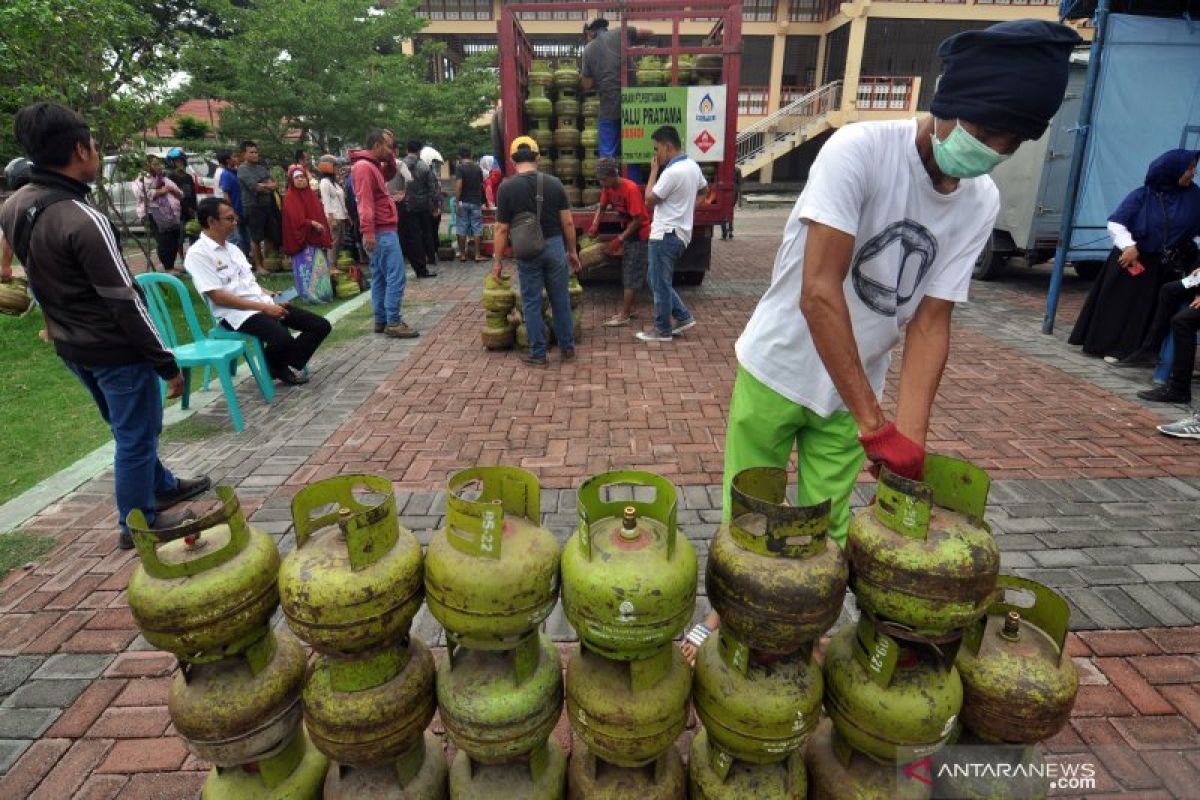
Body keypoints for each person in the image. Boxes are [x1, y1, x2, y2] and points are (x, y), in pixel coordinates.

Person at [680, 20, 1081, 661]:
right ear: (948, 108)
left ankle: (805, 629)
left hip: (853, 390)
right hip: (778, 367)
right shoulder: (858, 151)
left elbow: (929, 324)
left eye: (1008, 144)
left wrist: (908, 448)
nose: (990, 152)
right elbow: (819, 290)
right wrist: (876, 422)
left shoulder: (979, 202)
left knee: (829, 529)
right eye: (982, 134)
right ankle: (729, 612)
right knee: (751, 515)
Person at [0, 103, 211, 549]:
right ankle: (137, 523)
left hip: (72, 347)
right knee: (136, 435)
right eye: (94, 145)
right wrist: (166, 363)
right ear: (81, 149)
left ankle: (162, 484)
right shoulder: (83, 218)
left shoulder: (16, 204)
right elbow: (126, 301)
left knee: (125, 428)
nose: (95, 152)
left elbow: (38, 277)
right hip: (115, 351)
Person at [1070, 150, 1200, 360]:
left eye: (1194, 167)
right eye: (1189, 168)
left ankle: (1144, 351)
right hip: (1135, 257)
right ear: (1171, 170)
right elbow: (1116, 222)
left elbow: (1196, 232)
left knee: (1152, 308)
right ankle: (1111, 347)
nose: (1193, 172)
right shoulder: (1143, 195)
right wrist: (1128, 245)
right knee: (1122, 306)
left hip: (1168, 264)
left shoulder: (1194, 197)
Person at [186, 197, 331, 386]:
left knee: (320, 325)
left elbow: (246, 283)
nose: (235, 223)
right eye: (229, 219)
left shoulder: (233, 249)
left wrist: (270, 295)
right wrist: (264, 307)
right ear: (211, 221)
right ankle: (278, 366)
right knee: (281, 337)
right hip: (235, 314)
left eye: (234, 218)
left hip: (260, 304)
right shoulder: (198, 254)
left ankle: (275, 365)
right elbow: (218, 297)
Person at [493, 136, 581, 367]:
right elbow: (568, 222)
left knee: (531, 302)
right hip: (554, 246)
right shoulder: (554, 183)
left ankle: (539, 354)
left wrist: (498, 261)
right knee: (559, 298)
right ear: (538, 158)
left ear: (513, 161)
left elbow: (502, 229)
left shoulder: (506, 188)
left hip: (527, 249)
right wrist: (572, 251)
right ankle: (567, 348)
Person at [637, 125, 704, 343]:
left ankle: (662, 329)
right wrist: (688, 210)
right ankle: (683, 317)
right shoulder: (692, 166)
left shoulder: (671, 172)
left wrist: (653, 172)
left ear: (667, 146)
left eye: (657, 149)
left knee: (659, 282)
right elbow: (705, 190)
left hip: (664, 234)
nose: (656, 154)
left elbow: (648, 200)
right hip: (680, 234)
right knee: (656, 279)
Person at [352, 129, 419, 338]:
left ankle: (381, 320)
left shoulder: (370, 166)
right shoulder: (364, 167)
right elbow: (365, 203)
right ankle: (393, 321)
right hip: (381, 231)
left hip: (380, 230)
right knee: (395, 276)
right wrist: (368, 232)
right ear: (377, 145)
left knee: (380, 277)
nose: (391, 151)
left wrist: (389, 154)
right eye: (388, 146)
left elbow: (389, 173)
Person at [587, 157, 650, 327]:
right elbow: (602, 206)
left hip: (639, 234)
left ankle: (624, 315)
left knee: (631, 273)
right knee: (628, 271)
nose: (602, 183)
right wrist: (594, 225)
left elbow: (638, 220)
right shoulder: (608, 188)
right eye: (600, 179)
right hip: (628, 232)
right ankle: (632, 309)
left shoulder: (630, 188)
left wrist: (620, 239)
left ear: (614, 174)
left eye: (605, 179)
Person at [281, 167, 334, 303]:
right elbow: (294, 219)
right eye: (297, 178)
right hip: (302, 240)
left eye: (302, 177)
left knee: (319, 266)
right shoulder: (290, 197)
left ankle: (323, 293)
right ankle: (309, 296)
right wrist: (311, 223)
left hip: (315, 238)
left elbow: (319, 213)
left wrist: (323, 227)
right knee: (306, 267)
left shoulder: (311, 195)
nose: (300, 180)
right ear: (292, 181)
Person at [133, 155, 184, 272]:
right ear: (147, 166)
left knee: (174, 239)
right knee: (164, 240)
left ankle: (171, 265)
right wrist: (161, 191)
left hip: (170, 216)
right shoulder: (141, 180)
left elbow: (180, 193)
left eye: (159, 164)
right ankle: (168, 267)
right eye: (155, 164)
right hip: (151, 214)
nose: (159, 166)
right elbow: (142, 194)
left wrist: (171, 190)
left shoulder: (164, 179)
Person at [582, 18, 622, 160]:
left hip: (609, 103)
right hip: (633, 101)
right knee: (632, 147)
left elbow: (587, 84)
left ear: (590, 32)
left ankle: (609, 179)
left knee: (607, 151)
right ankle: (633, 181)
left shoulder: (589, 49)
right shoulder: (620, 34)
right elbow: (648, 32)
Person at [237, 140, 280, 272]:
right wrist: (266, 186)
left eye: (256, 152)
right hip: (253, 207)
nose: (255, 155)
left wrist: (266, 186)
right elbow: (256, 187)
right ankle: (259, 266)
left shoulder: (261, 168)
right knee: (255, 238)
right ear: (244, 154)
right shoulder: (243, 169)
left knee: (270, 235)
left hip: (267, 205)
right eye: (251, 152)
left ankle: (269, 263)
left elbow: (274, 184)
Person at [401, 140, 439, 278]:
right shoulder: (424, 166)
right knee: (427, 232)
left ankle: (417, 262)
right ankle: (431, 257)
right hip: (423, 205)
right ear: (419, 151)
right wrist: (433, 204)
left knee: (413, 236)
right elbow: (432, 188)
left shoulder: (401, 164)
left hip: (407, 205)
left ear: (407, 149)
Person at [165, 147, 203, 247]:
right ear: (172, 163)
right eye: (177, 161)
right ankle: (181, 256)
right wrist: (186, 208)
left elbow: (193, 194)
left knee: (194, 234)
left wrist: (194, 209)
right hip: (179, 212)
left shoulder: (188, 177)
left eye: (181, 161)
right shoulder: (170, 178)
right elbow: (174, 196)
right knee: (180, 237)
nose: (180, 163)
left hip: (191, 211)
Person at [215, 150, 249, 255]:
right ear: (228, 160)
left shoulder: (234, 172)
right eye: (233, 157)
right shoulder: (225, 174)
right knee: (236, 238)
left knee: (245, 238)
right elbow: (226, 195)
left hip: (242, 209)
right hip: (235, 211)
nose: (236, 159)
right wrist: (232, 212)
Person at [455, 147, 485, 262]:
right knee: (477, 228)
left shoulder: (460, 168)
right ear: (471, 155)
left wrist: (457, 202)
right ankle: (477, 255)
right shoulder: (478, 168)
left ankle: (463, 255)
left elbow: (459, 185)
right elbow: (481, 185)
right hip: (476, 201)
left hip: (464, 202)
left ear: (459, 157)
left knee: (462, 227)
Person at [317, 157, 349, 265]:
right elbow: (326, 202)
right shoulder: (324, 182)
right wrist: (331, 219)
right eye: (335, 166)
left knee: (340, 242)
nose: (337, 168)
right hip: (334, 217)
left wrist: (346, 214)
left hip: (341, 217)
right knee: (333, 244)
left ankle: (338, 266)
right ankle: (332, 267)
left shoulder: (333, 182)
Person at [721, 166, 743, 240]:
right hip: (734, 192)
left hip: (724, 192)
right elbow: (740, 184)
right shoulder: (737, 170)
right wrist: (739, 201)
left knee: (723, 213)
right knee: (730, 213)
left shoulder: (723, 169)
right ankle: (730, 232)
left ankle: (724, 233)